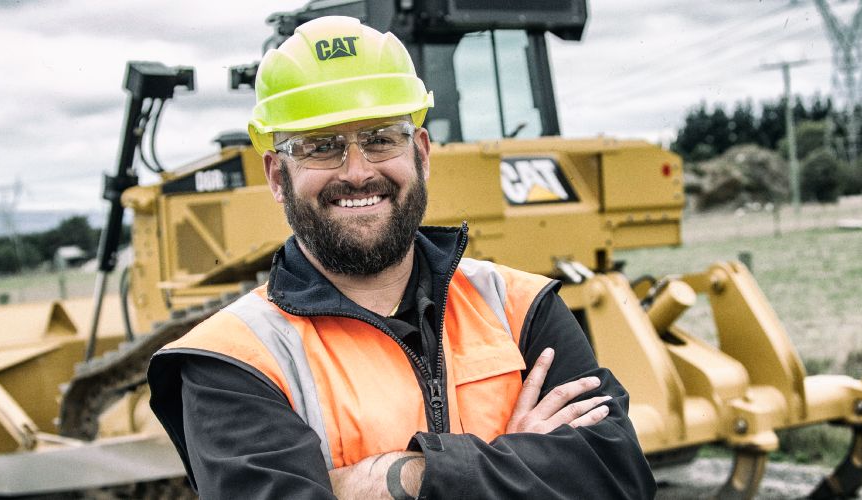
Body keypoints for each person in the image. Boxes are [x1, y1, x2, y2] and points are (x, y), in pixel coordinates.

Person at [148, 15, 655, 499]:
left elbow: (618, 478)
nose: (357, 172)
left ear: (422, 154)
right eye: (320, 147)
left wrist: (403, 476)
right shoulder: (231, 361)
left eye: (380, 140)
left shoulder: (521, 306)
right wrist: (521, 461)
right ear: (278, 177)